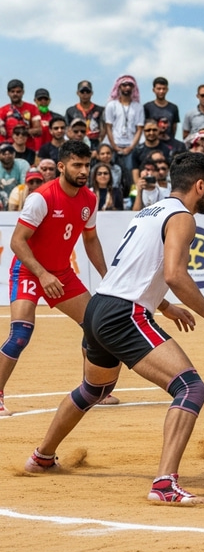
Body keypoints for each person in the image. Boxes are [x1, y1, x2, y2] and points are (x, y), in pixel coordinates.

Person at [23, 152, 204, 503]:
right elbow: (174, 274)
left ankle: (41, 457)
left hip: (99, 306)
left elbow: (135, 271)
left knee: (93, 390)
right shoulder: (182, 218)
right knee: (191, 389)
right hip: (124, 313)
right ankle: (164, 484)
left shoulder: (148, 212)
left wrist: (165, 306)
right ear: (200, 185)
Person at [0, 140, 117, 416]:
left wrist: (107, 276)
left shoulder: (89, 199)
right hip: (30, 271)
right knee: (20, 334)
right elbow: (18, 242)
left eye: (87, 165)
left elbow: (90, 240)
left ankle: (93, 389)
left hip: (61, 273)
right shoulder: (41, 197)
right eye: (77, 165)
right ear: (61, 166)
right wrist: (42, 274)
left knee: (96, 327)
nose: (83, 170)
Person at [65, 80, 106, 153]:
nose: (85, 94)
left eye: (87, 92)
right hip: (77, 143)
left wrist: (99, 143)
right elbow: (67, 129)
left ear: (92, 93)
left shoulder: (100, 110)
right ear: (77, 93)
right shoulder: (70, 111)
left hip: (95, 144)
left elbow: (104, 128)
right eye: (82, 92)